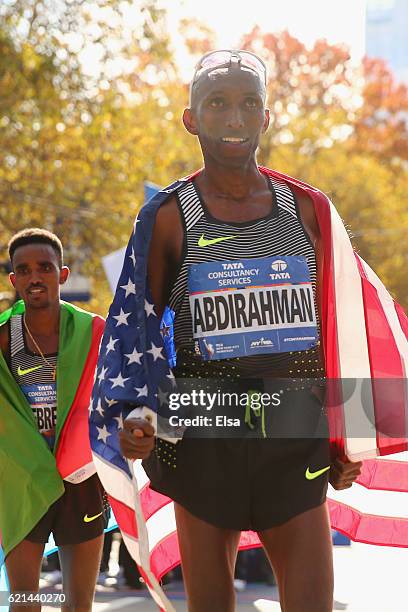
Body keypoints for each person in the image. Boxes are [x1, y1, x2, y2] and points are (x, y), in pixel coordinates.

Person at [112, 50, 366, 612]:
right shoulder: (169, 214)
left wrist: (353, 433)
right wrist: (134, 410)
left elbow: (347, 322)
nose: (234, 118)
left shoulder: (308, 209)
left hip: (293, 423)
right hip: (205, 428)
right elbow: (138, 334)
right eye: (217, 103)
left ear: (267, 117)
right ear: (191, 118)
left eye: (250, 103)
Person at [0, 228, 106, 611]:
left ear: (62, 274)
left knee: (79, 604)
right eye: (24, 270)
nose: (34, 277)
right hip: (23, 481)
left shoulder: (94, 332)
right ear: (13, 279)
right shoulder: (3, 337)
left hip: (80, 478)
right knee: (27, 602)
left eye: (44, 267)